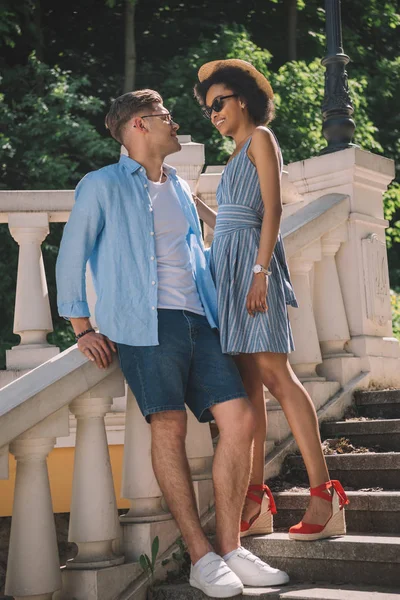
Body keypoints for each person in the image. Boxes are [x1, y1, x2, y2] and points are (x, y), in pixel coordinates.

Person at [56, 89, 289, 598]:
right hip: (145, 323)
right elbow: (70, 254)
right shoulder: (101, 185)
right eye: (163, 116)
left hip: (198, 319)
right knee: (169, 424)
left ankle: (230, 548)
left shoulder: (179, 187)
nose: (173, 121)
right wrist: (81, 326)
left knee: (241, 418)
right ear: (138, 126)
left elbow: (200, 251)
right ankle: (200, 557)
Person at [193, 59, 349, 542]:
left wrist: (261, 273)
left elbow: (273, 208)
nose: (213, 112)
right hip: (229, 272)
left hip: (254, 273)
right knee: (248, 387)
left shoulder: (260, 137)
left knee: (278, 376)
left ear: (241, 98)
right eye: (206, 108)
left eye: (218, 102)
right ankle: (257, 500)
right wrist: (192, 205)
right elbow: (230, 222)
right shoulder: (233, 156)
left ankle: (326, 495)